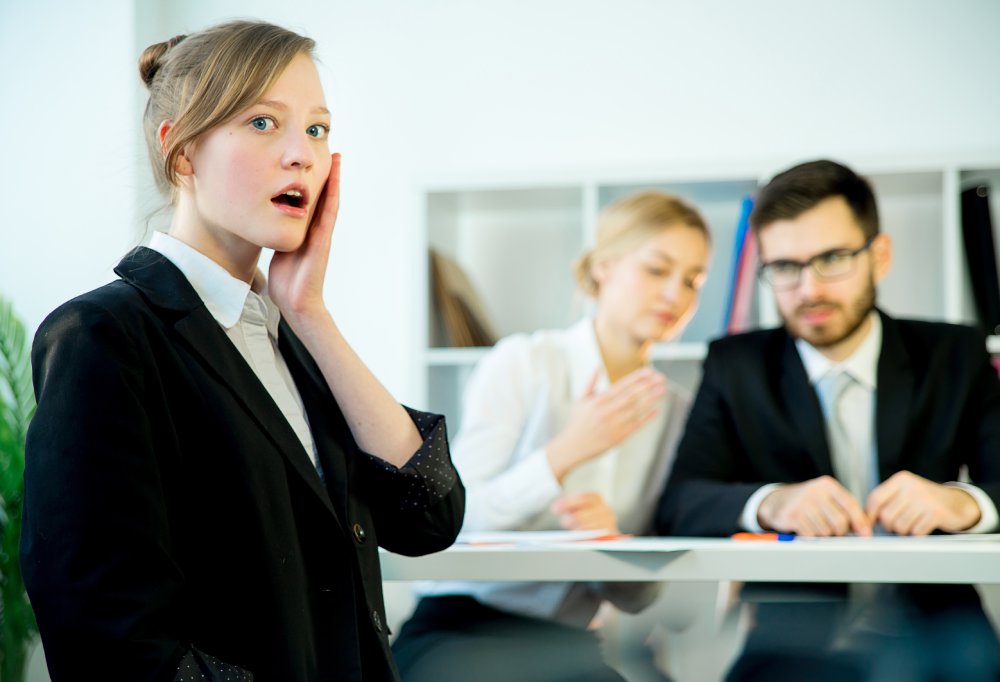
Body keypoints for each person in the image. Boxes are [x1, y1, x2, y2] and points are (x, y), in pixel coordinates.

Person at [20, 20, 464, 682]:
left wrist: (310, 313)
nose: (302, 156)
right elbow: (106, 632)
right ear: (183, 152)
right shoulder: (103, 336)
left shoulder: (289, 335)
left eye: (317, 129)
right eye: (263, 123)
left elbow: (429, 513)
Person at [656, 159, 1000, 681]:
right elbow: (680, 502)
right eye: (785, 268)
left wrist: (960, 503)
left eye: (832, 259)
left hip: (938, 625)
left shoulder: (954, 352)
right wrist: (772, 502)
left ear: (878, 255)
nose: (808, 289)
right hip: (792, 626)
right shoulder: (736, 365)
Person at [392, 190, 712, 681]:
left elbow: (641, 597)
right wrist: (565, 453)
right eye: (657, 269)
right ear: (603, 266)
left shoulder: (677, 412)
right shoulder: (522, 363)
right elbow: (457, 523)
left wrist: (612, 544)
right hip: (460, 627)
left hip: (566, 642)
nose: (676, 295)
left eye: (693, 281)